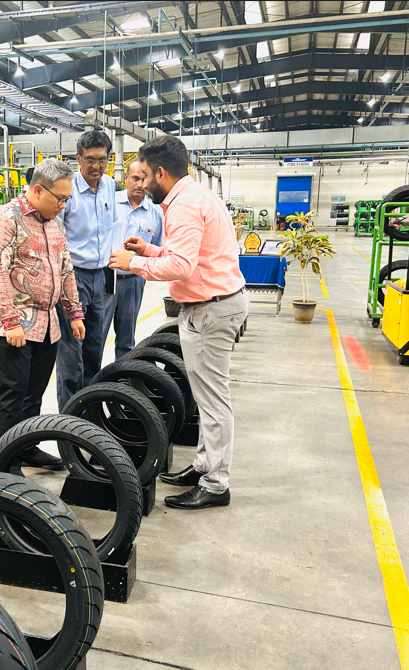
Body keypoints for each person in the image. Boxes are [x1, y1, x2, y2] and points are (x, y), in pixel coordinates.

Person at [109, 135, 248, 511]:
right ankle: (204, 466)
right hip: (213, 304)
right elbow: (189, 255)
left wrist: (134, 263)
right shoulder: (194, 195)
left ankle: (216, 484)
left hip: (211, 309)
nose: (141, 184)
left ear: (160, 172)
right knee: (206, 397)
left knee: (213, 400)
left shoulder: (185, 204)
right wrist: (150, 250)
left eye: (144, 176)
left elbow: (182, 266)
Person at [0, 159, 85, 469]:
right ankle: (6, 463)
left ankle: (27, 448)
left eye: (67, 199)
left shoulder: (55, 223)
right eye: (60, 198)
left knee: (33, 395)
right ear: (38, 190)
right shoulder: (6, 219)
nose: (63, 205)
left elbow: (65, 269)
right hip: (13, 326)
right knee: (12, 395)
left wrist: (74, 312)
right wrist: (11, 321)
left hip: (47, 324)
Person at [55, 130, 116, 410]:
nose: (96, 166)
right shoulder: (67, 189)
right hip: (74, 277)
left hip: (100, 276)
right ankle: (69, 416)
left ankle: (89, 409)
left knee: (94, 347)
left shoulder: (109, 186)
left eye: (102, 159)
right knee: (71, 350)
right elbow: (55, 234)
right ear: (78, 158)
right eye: (90, 159)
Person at [103, 159, 163, 359]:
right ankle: (92, 378)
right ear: (126, 178)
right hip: (105, 280)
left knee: (126, 341)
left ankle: (123, 376)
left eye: (144, 180)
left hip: (134, 281)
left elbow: (158, 249)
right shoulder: (108, 203)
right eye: (135, 178)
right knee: (96, 337)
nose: (140, 184)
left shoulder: (156, 213)